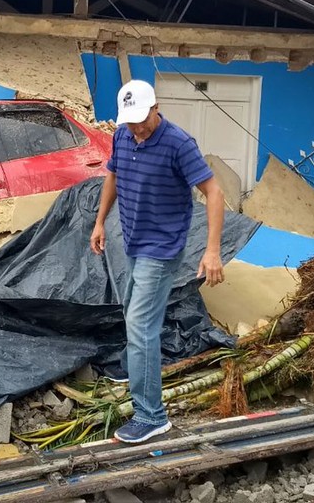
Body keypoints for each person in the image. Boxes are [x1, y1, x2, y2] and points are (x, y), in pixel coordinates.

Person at [90, 79, 225, 444]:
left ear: (156, 107)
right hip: (134, 239)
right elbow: (113, 176)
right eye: (130, 121)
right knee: (134, 309)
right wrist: (101, 221)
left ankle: (151, 415)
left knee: (140, 324)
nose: (137, 127)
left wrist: (212, 250)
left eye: (142, 119)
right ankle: (135, 366)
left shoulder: (178, 144)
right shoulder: (122, 135)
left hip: (163, 247)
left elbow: (214, 192)